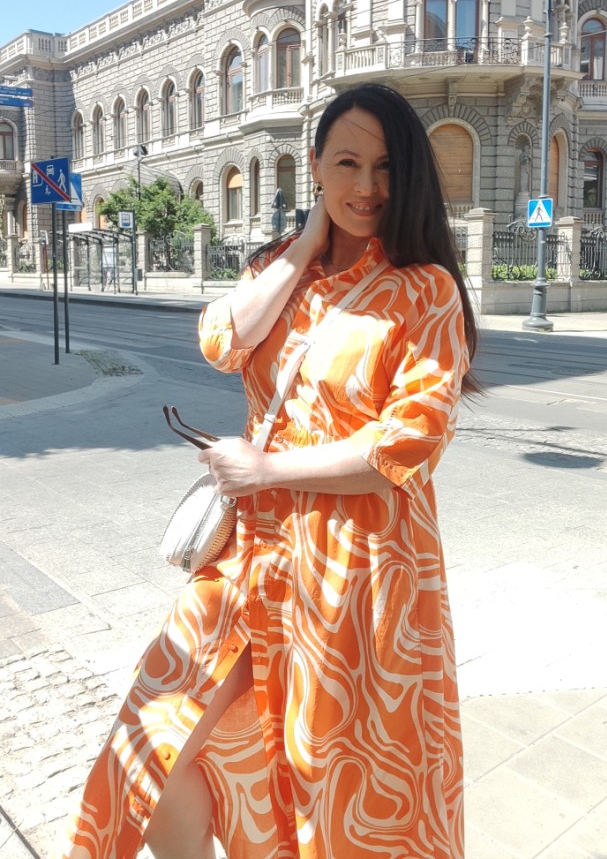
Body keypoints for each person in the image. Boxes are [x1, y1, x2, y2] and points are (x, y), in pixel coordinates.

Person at [51, 83, 477, 859]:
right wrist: (305, 247)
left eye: (385, 166)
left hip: (355, 573)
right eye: (346, 163)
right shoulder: (282, 269)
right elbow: (221, 341)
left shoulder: (425, 289)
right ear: (314, 166)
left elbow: (407, 446)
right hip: (249, 555)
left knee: (334, 788)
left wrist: (267, 468)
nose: (367, 186)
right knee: (148, 751)